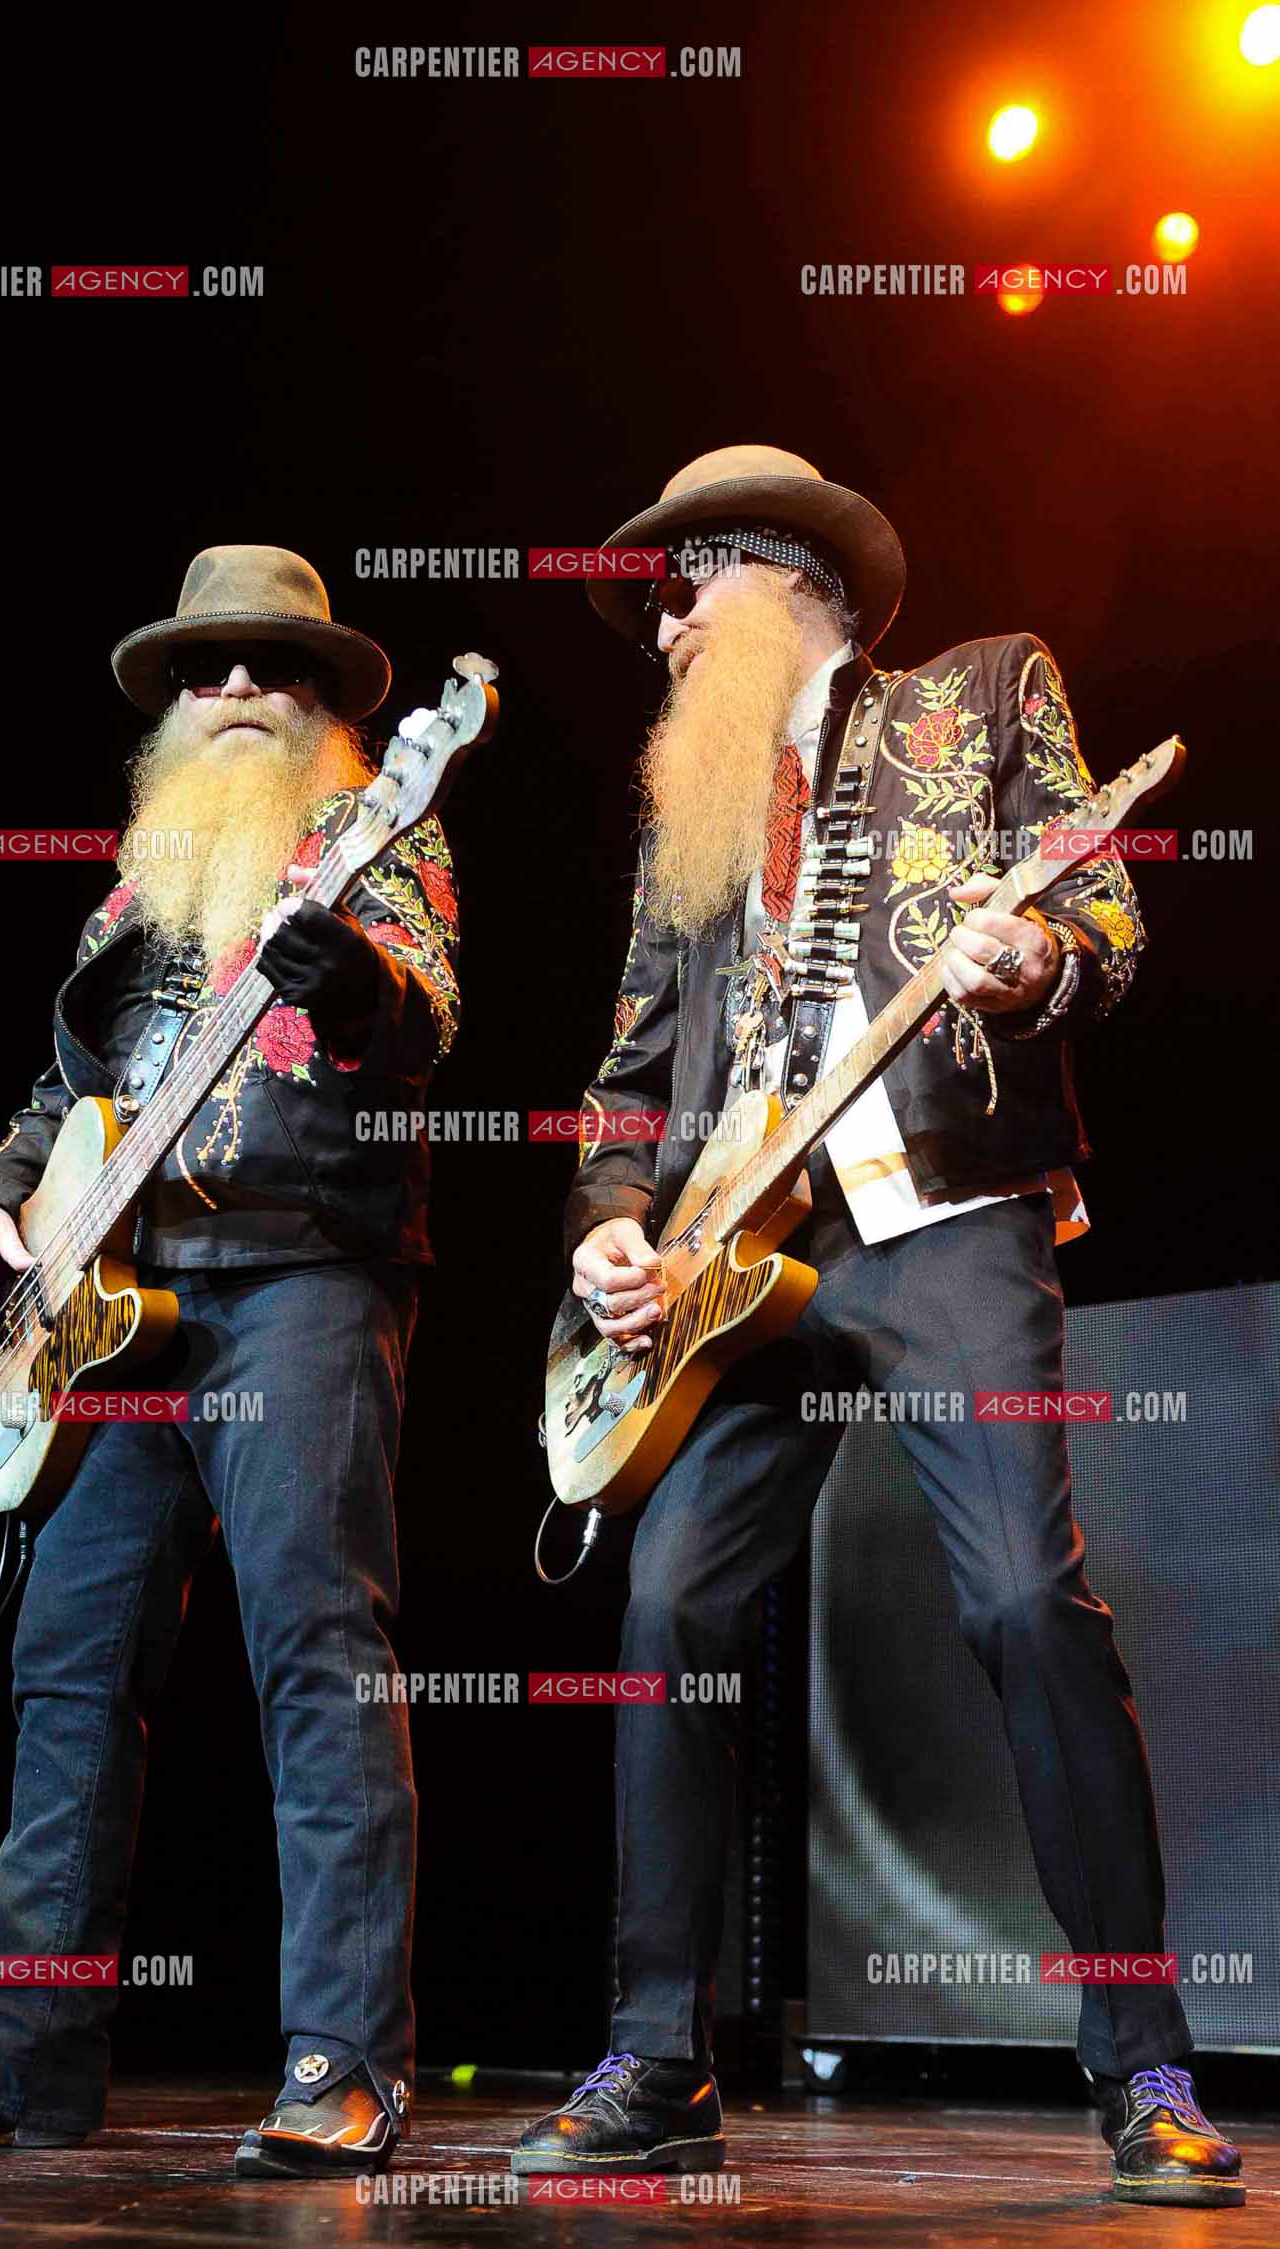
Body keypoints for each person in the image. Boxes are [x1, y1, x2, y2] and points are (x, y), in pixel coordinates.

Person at [512, 448, 1244, 2209]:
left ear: (777, 574)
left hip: (937, 1220)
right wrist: (612, 1231)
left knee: (1018, 1595)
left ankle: (1142, 2060)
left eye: (685, 588)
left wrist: (1025, 961)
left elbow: (1106, 917)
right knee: (671, 1602)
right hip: (731, 1275)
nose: (665, 625)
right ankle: (662, 2053)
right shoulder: (679, 828)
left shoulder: (986, 690)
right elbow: (621, 1090)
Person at [0, 545, 461, 2180]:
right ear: (170, 707)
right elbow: (53, 1103)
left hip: (299, 1276)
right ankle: (22, 2055)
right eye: (207, 668)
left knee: (317, 1644)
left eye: (271, 669)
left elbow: (424, 1016)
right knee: (68, 1668)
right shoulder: (136, 882)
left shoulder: (379, 833)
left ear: (323, 704)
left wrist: (352, 979)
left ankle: (343, 2059)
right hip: (112, 1315)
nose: (237, 691)